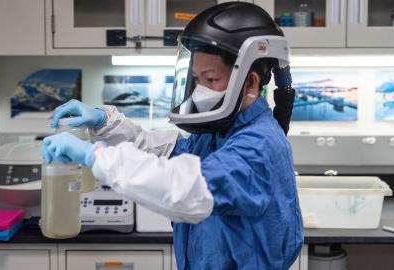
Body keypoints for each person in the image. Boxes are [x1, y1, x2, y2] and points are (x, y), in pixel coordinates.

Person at [42, 2, 303, 269]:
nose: (200, 90)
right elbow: (163, 151)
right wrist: (105, 122)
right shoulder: (219, 134)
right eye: (197, 79)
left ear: (250, 82)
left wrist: (93, 155)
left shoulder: (259, 145)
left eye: (210, 80)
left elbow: (184, 189)